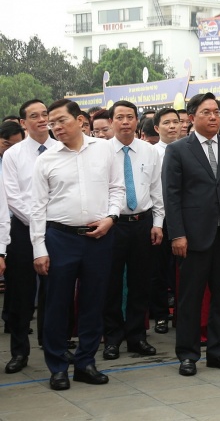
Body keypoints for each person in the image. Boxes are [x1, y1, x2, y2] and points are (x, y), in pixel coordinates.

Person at [31, 99, 125, 390]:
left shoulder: (104, 149)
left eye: (61, 120)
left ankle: (85, 363)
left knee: (93, 302)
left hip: (99, 237)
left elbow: (116, 188)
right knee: (58, 305)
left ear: (80, 120)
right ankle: (58, 367)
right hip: (59, 238)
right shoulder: (46, 159)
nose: (56, 127)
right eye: (52, 123)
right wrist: (39, 249)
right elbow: (37, 207)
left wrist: (111, 218)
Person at [163, 93, 220, 376]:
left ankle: (218, 351)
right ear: (192, 117)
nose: (214, 117)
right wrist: (177, 234)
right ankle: (188, 355)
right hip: (193, 237)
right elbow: (172, 196)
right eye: (206, 112)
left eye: (216, 112)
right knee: (190, 298)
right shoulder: (178, 150)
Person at [102, 101, 164, 361]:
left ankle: (137, 336)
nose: (125, 122)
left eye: (130, 117)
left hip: (142, 222)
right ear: (111, 121)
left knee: (141, 281)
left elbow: (156, 189)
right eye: (120, 117)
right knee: (111, 283)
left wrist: (158, 223)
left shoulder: (149, 151)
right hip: (112, 225)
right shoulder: (100, 151)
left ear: (137, 120)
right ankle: (112, 337)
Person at [2, 100, 56, 375]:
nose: (41, 120)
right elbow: (13, 197)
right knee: (22, 293)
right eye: (34, 116)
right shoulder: (13, 155)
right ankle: (19, 351)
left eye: (44, 114)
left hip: (59, 231)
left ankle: (53, 346)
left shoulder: (62, 148)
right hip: (23, 232)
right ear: (23, 123)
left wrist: (52, 224)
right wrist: (39, 224)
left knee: (54, 292)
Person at [150, 107, 182, 334]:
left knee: (183, 270)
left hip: (183, 217)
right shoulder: (151, 153)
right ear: (156, 128)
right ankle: (161, 315)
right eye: (167, 123)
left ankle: (182, 314)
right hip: (159, 219)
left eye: (175, 122)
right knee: (159, 269)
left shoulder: (189, 150)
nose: (172, 126)